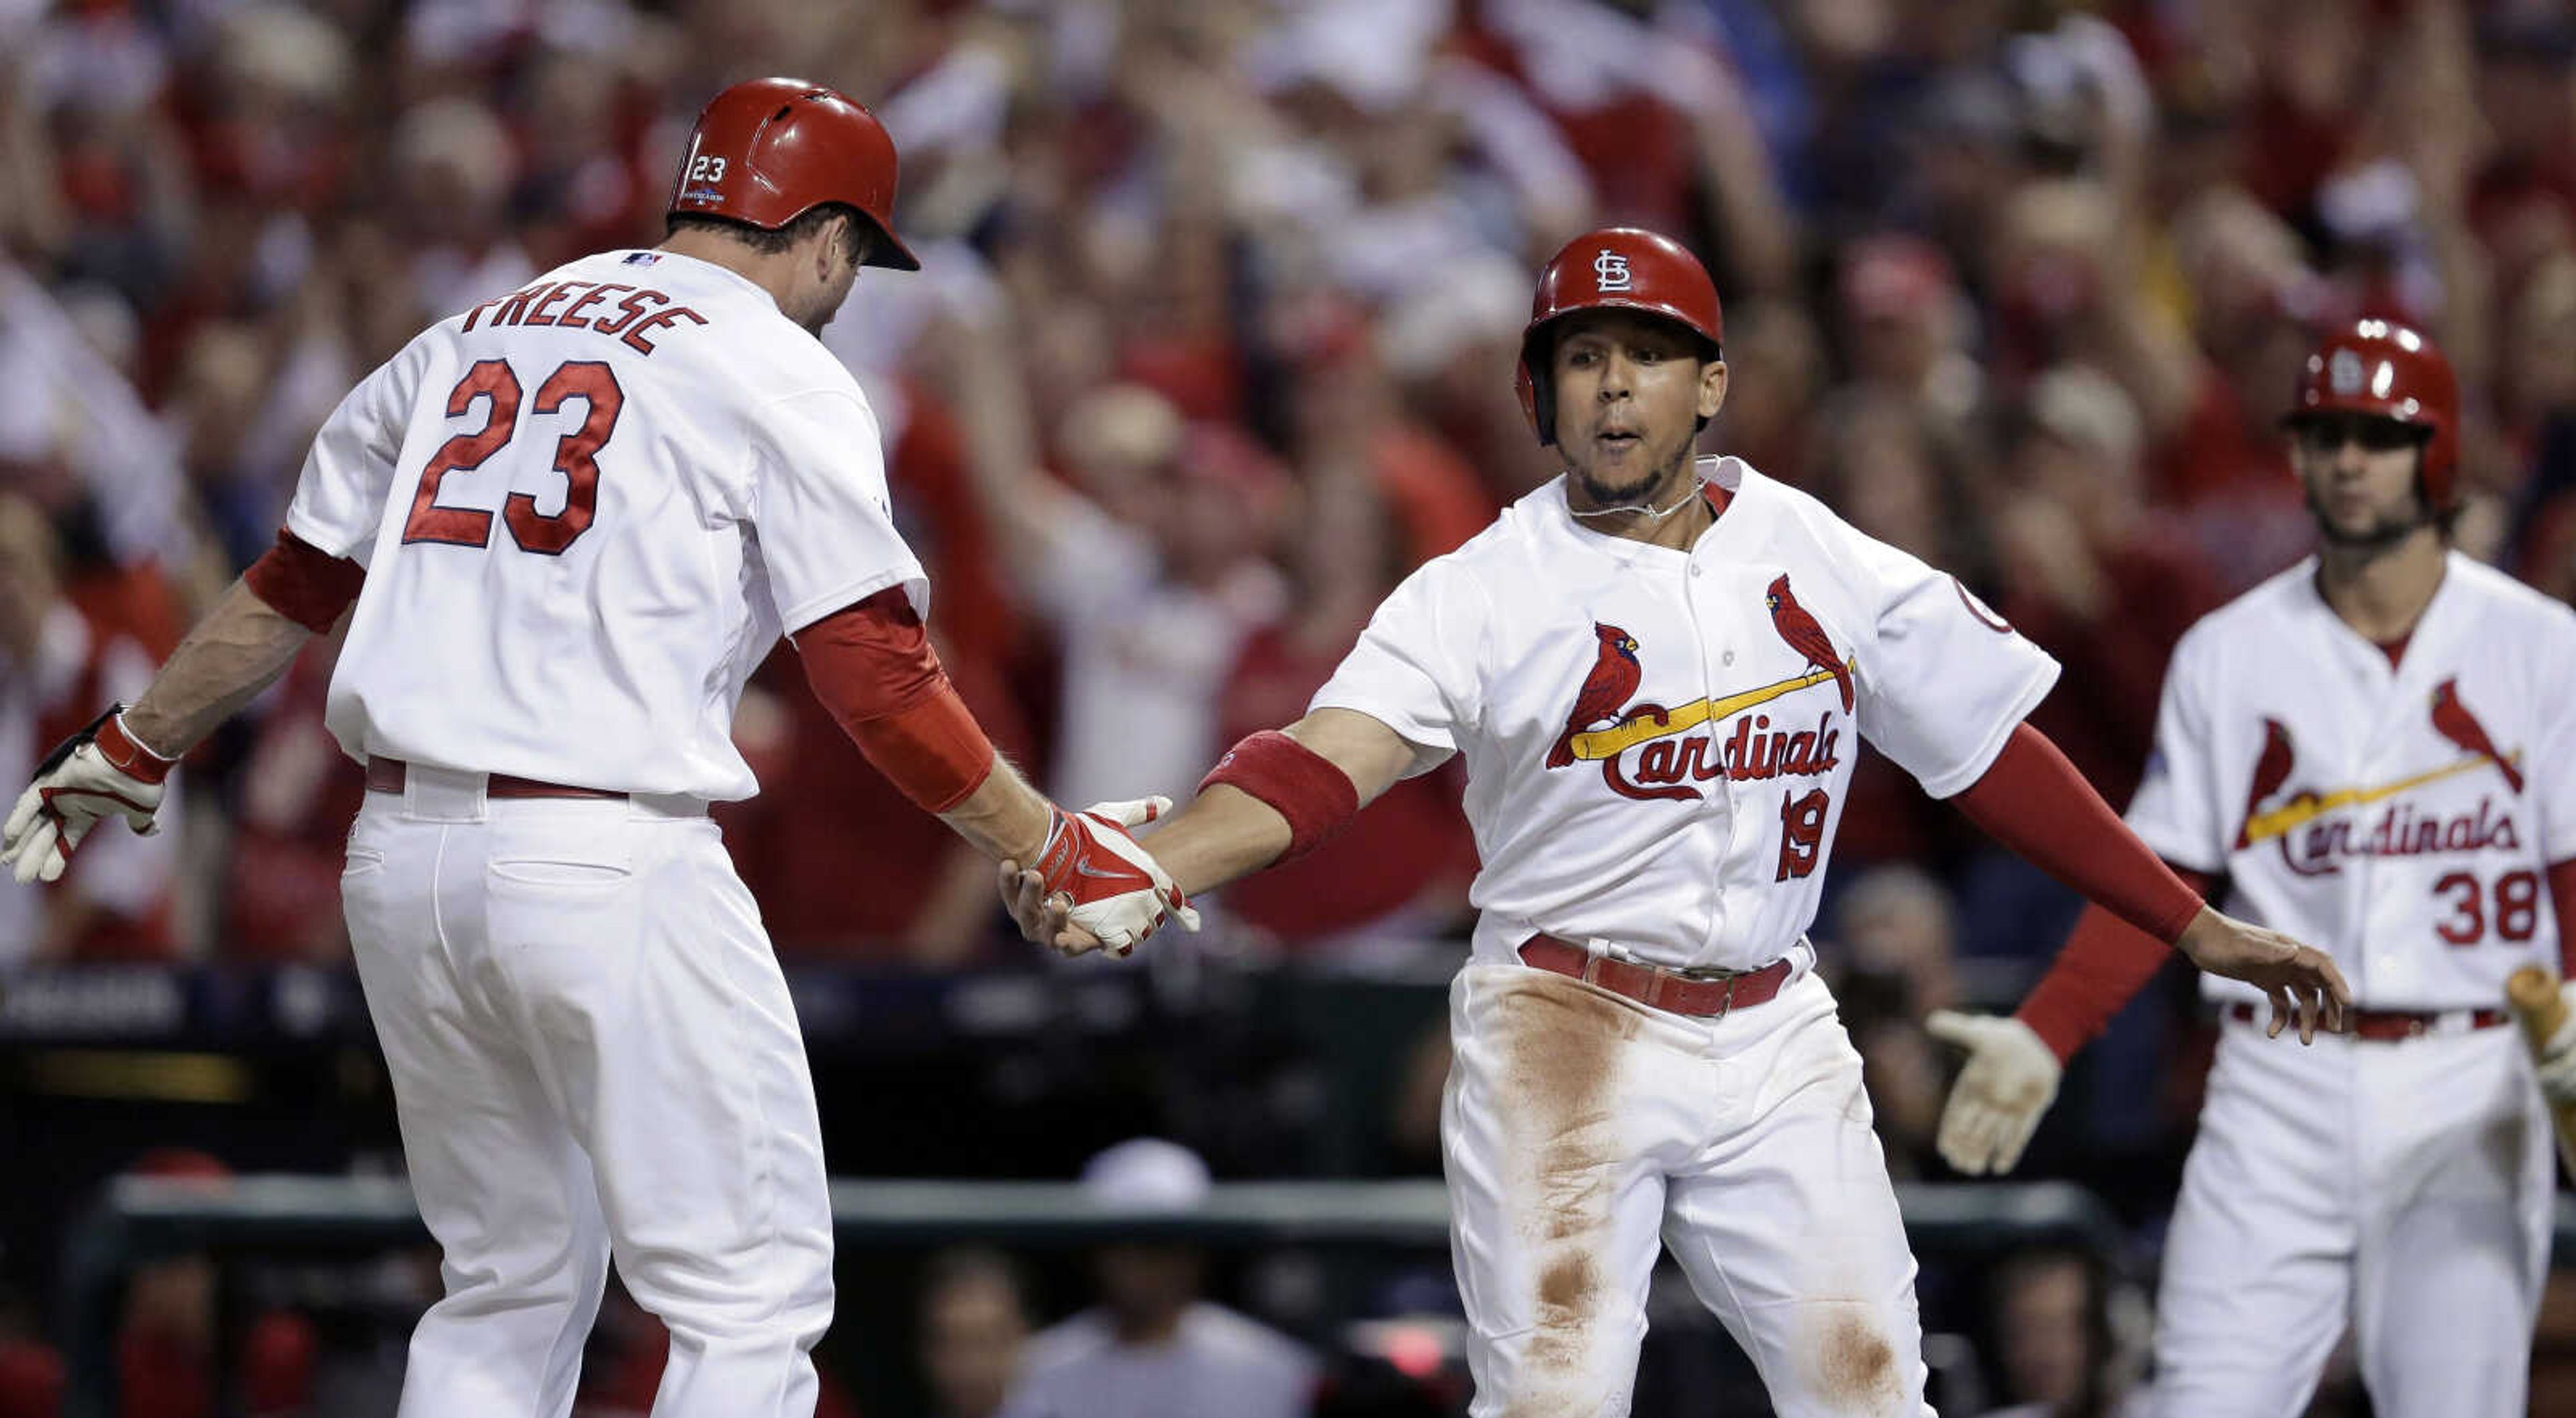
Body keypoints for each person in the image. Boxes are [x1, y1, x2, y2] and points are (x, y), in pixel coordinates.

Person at [1002, 227, 2349, 1417]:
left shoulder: (1817, 550)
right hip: (1565, 1025)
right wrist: (1159, 861)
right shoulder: (1481, 589)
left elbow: (1991, 756)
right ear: (1542, 392)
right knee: (1554, 1400)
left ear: (1709, 383)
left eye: (1645, 355)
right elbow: (1322, 763)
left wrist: (2192, 923)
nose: (1612, 386)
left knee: (1875, 1392)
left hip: (1775, 1026)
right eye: (1582, 357)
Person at [1, 77, 1187, 1416]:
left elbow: (294, 581)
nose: (848, 278)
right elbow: (874, 673)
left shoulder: (470, 332)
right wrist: (1046, 842)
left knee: (504, 1288)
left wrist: (132, 745)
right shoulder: (777, 363)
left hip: (401, 858)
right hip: (603, 852)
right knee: (748, 1296)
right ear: (816, 229)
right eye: (855, 247)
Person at [1930, 319, 2576, 1418]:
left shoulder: (2542, 646)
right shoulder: (2230, 651)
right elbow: (2166, 873)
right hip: (2283, 1078)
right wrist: (2051, 1023)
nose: (2350, 461)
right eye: (2328, 434)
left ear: (2443, 454)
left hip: (2473, 1078)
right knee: (2206, 1397)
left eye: (2381, 435)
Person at [1006, 1139, 1316, 1418]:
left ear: (1196, 1251)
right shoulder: (1040, 1368)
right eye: (1129, 1246)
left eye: (1164, 1246)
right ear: (1099, 1252)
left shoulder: (1271, 1368)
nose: (1149, 1267)